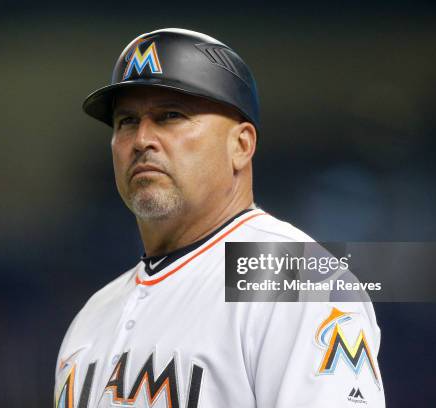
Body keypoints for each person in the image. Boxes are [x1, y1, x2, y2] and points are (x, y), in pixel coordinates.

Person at [55, 28, 385, 408]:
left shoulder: (294, 277)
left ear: (241, 145)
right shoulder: (93, 315)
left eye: (170, 116)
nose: (142, 138)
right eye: (126, 121)